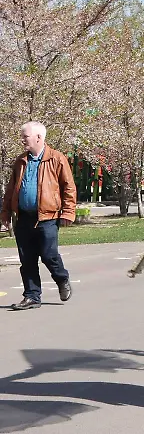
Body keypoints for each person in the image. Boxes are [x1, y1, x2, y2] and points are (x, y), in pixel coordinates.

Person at [1, 122, 77, 310]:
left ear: (38, 138)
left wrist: (68, 212)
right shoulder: (21, 161)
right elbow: (11, 190)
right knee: (27, 259)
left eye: (25, 137)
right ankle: (32, 296)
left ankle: (62, 278)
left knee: (49, 255)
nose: (22, 140)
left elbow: (69, 188)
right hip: (24, 218)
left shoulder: (57, 159)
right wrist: (5, 212)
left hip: (48, 217)